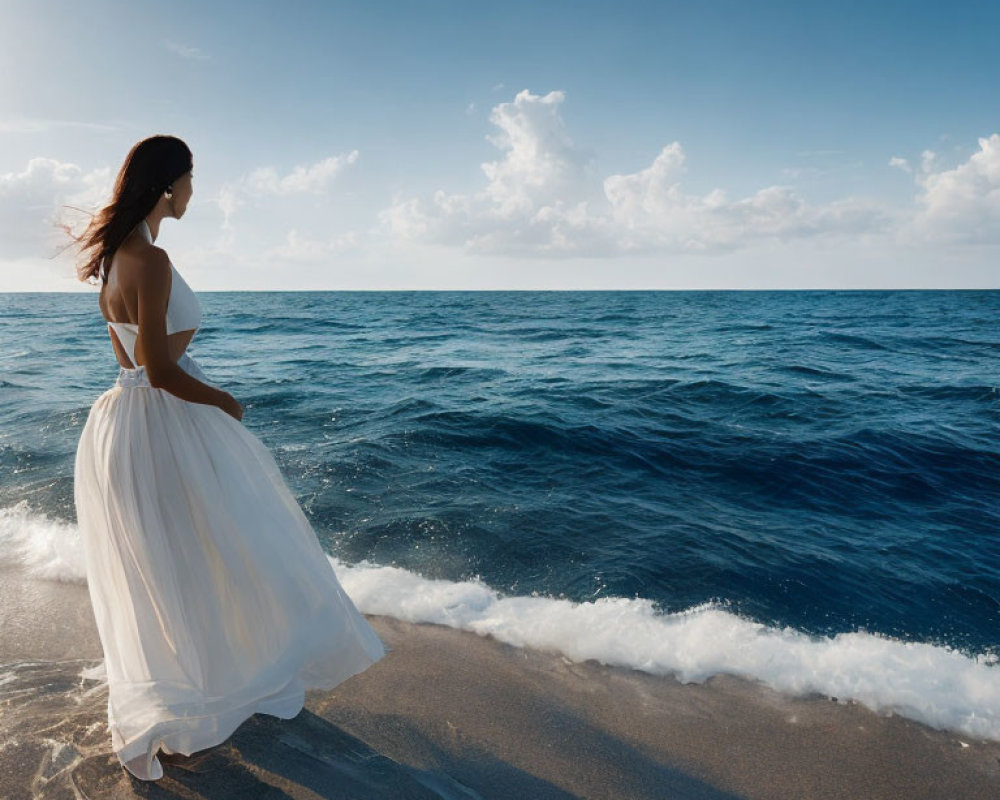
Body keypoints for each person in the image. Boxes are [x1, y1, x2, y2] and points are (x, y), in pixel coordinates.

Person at [70, 135, 388, 781]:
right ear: (168, 186)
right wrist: (225, 403)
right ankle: (203, 695)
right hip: (166, 420)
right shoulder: (151, 259)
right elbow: (159, 370)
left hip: (120, 422)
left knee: (172, 561)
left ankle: (195, 686)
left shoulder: (113, 258)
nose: (194, 191)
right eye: (190, 179)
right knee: (216, 549)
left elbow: (125, 360)